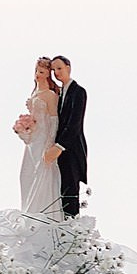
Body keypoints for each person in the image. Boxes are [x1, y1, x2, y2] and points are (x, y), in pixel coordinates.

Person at [12, 57, 61, 216]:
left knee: (41, 174)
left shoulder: (50, 95)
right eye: (36, 71)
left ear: (48, 74)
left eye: (41, 72)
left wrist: (50, 143)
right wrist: (25, 128)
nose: (37, 75)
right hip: (33, 140)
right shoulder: (35, 93)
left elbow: (53, 120)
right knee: (26, 174)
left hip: (43, 139)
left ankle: (40, 214)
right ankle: (28, 213)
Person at [50, 56, 87, 214]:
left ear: (68, 67)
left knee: (71, 189)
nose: (56, 73)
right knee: (61, 188)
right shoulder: (58, 93)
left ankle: (72, 227)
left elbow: (75, 123)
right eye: (53, 70)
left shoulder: (78, 92)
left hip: (71, 148)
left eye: (59, 68)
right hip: (60, 149)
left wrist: (59, 146)